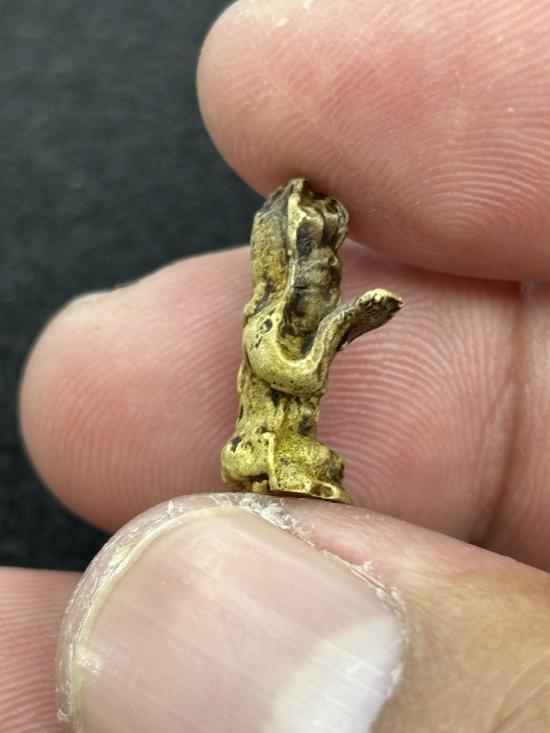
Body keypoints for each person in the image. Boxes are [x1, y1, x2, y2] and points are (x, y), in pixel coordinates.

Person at [4, 0, 550, 730]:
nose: (323, 282)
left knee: (319, 464)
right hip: (261, 448)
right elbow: (295, 376)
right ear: (282, 268)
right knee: (294, 460)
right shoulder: (265, 322)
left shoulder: (302, 315)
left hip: (292, 445)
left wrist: (341, 324)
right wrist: (346, 325)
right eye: (313, 270)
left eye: (329, 272)